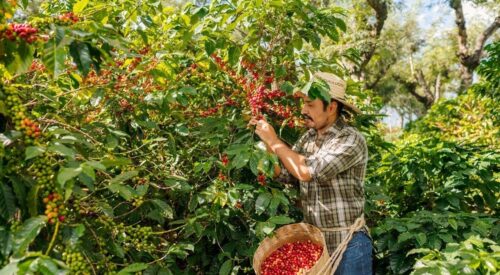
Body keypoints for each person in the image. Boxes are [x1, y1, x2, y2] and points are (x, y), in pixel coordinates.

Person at [249, 72, 372, 274]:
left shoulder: (350, 139)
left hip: (350, 244)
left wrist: (274, 141)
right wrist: (267, 144)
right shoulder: (307, 139)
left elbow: (308, 171)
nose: (304, 110)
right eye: (304, 104)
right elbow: (285, 175)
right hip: (315, 245)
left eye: (311, 105)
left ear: (331, 107)